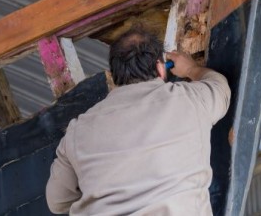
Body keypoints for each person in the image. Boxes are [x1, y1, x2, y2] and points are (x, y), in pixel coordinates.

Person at [46, 28, 231, 215]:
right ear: (160, 67)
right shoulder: (189, 100)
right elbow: (220, 87)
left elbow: (57, 202)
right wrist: (191, 69)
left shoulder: (77, 132)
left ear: (115, 74)